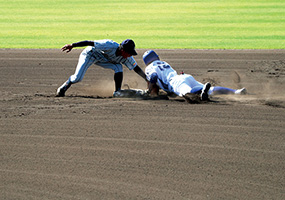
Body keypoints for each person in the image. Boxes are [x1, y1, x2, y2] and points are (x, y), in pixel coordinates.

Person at [143, 50, 247, 102]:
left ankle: (202, 92)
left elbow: (153, 77)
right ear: (156, 57)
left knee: (188, 94)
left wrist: (151, 92)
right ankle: (236, 92)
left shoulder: (149, 68)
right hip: (185, 77)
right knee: (210, 90)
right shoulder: (164, 62)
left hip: (176, 83)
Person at [56, 39, 147, 97]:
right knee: (77, 78)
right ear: (122, 50)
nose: (130, 55)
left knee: (118, 66)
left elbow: (136, 68)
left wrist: (147, 79)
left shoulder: (127, 58)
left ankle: (117, 91)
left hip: (103, 60)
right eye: (129, 52)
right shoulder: (109, 44)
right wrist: (72, 45)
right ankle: (65, 86)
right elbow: (89, 42)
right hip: (90, 55)